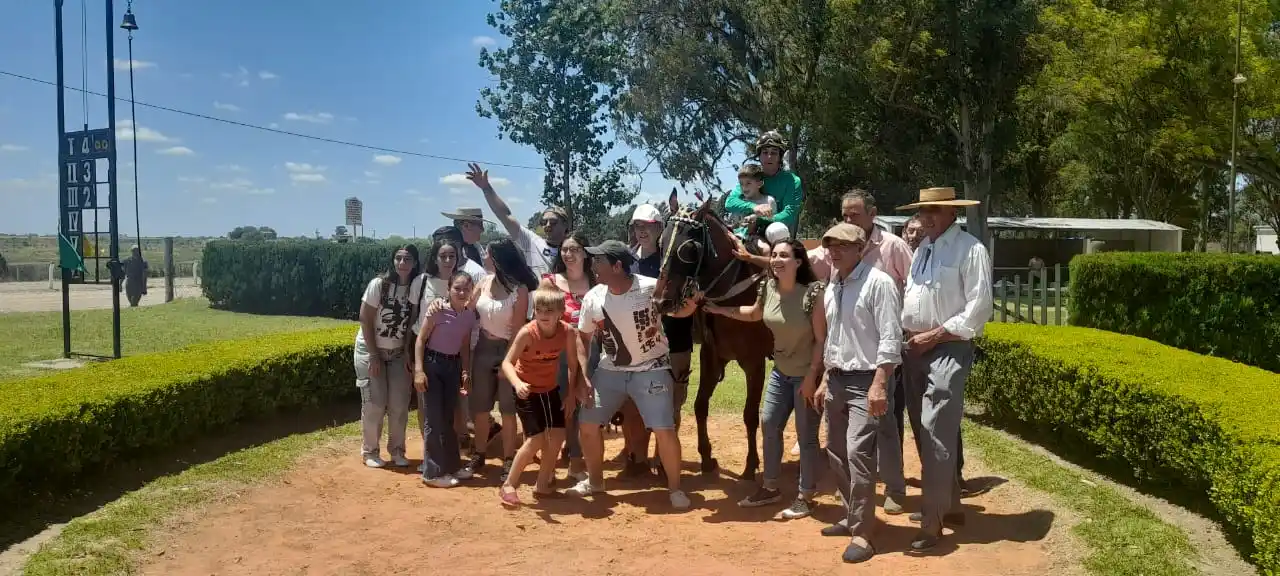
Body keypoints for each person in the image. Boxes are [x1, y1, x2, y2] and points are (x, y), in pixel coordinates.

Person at [896, 187, 993, 552]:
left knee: (935, 430)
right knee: (924, 430)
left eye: (934, 210)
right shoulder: (923, 248)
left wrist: (935, 335)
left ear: (953, 213)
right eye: (924, 210)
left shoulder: (971, 249)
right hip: (915, 348)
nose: (927, 216)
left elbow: (979, 307)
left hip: (947, 346)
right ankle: (948, 505)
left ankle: (932, 522)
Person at [705, 238, 826, 520]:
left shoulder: (813, 293)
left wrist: (812, 377)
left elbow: (821, 340)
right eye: (774, 255)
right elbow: (754, 314)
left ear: (798, 262)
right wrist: (721, 310)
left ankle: (806, 495)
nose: (776, 260)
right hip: (781, 372)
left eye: (784, 255)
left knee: (806, 437)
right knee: (769, 423)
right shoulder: (768, 287)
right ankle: (770, 486)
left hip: (807, 373)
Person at [569, 240, 694, 510]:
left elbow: (679, 309)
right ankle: (595, 482)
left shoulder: (650, 287)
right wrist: (582, 374)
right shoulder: (594, 296)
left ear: (617, 265)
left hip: (652, 369)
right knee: (588, 424)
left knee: (664, 429)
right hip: (610, 371)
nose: (593, 267)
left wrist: (693, 303)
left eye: (599, 261)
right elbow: (583, 337)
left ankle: (675, 489)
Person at [811, 223, 903, 564]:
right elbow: (835, 337)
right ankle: (853, 516)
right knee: (835, 450)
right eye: (830, 246)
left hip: (867, 382)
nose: (834, 252)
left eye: (843, 246)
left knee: (857, 454)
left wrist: (880, 383)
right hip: (837, 379)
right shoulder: (834, 284)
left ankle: (864, 534)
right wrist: (824, 378)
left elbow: (891, 337)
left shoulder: (879, 283)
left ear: (861, 249)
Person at [460, 238, 540, 481]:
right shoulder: (483, 282)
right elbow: (464, 309)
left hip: (509, 350)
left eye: (488, 253)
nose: (483, 257)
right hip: (483, 348)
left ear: (498, 258)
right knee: (480, 408)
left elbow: (517, 330)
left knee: (507, 409)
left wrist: (508, 364)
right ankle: (479, 453)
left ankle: (508, 458)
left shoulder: (520, 290)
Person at [498, 279, 583, 505]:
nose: (543, 314)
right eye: (538, 310)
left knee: (557, 436)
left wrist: (571, 394)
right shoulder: (527, 333)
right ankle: (509, 484)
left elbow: (573, 366)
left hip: (550, 390)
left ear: (560, 313)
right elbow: (507, 363)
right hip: (526, 390)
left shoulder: (567, 333)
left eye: (549, 310)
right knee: (535, 439)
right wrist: (517, 383)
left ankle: (542, 484)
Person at [628, 203, 697, 479]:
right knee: (635, 404)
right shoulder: (628, 259)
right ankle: (638, 458)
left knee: (672, 403)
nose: (642, 231)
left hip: (675, 340)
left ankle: (662, 457)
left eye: (648, 226)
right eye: (637, 226)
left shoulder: (675, 262)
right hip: (638, 345)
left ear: (660, 229)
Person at [354, 244, 424, 469]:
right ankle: (370, 451)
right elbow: (365, 318)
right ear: (393, 261)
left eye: (407, 259)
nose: (402, 263)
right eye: (398, 258)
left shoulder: (415, 287)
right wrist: (374, 355)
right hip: (371, 349)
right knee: (375, 403)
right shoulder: (379, 285)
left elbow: (411, 323)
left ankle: (397, 450)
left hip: (397, 353)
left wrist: (406, 354)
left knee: (399, 404)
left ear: (414, 263)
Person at [413, 271, 478, 488]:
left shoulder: (469, 315)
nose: (461, 292)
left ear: (471, 291)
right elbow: (420, 340)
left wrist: (465, 371)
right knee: (433, 420)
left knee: (450, 419)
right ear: (448, 289)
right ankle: (432, 472)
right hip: (433, 365)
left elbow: (465, 346)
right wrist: (419, 371)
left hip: (453, 367)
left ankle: (452, 466)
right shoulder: (437, 310)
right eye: (457, 288)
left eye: (466, 289)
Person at [544, 231, 597, 482]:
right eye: (565, 249)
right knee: (560, 407)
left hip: (591, 351)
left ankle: (577, 461)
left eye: (574, 249)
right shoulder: (550, 282)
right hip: (558, 355)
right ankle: (550, 466)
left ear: (585, 253)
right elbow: (540, 319)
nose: (568, 254)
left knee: (581, 406)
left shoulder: (598, 284)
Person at [465, 162, 568, 279]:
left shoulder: (575, 249)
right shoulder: (532, 242)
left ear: (565, 225)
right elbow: (505, 215)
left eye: (553, 222)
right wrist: (486, 188)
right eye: (544, 222)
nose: (548, 226)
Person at [721, 130, 804, 236]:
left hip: (773, 233)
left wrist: (760, 220)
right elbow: (730, 202)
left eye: (774, 153)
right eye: (765, 152)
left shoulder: (792, 181)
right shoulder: (751, 175)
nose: (769, 157)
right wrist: (753, 207)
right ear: (759, 156)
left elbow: (789, 214)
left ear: (780, 156)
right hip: (742, 231)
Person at [723, 164, 777, 238]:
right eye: (741, 184)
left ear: (760, 183)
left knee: (765, 249)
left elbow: (772, 222)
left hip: (757, 239)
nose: (744, 187)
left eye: (748, 183)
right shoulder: (740, 201)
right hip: (735, 238)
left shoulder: (768, 201)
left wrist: (756, 219)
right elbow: (733, 224)